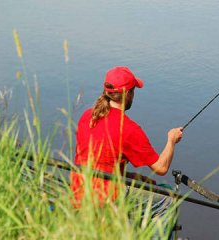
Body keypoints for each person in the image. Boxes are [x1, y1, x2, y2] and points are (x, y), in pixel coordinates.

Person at [70, 66, 183, 206]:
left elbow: (102, 163)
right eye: (133, 91)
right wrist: (171, 140)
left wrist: (131, 177)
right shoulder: (128, 129)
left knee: (140, 182)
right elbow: (161, 168)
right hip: (106, 197)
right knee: (168, 200)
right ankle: (133, 226)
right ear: (128, 94)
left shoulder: (87, 115)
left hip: (78, 188)